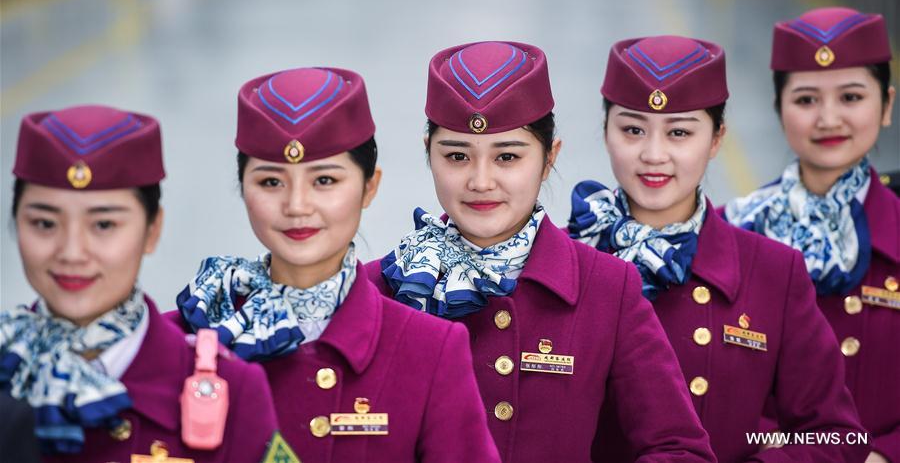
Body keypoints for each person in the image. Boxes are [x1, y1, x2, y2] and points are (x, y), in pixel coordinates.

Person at [367, 41, 716, 462]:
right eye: (457, 156)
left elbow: (678, 447)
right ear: (429, 153)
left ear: (549, 158)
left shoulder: (606, 288)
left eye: (507, 157)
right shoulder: (380, 288)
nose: (480, 181)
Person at [173, 67, 500, 462]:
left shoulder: (429, 351)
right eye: (271, 182)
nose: (297, 206)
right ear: (242, 187)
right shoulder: (186, 337)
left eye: (324, 181)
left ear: (369, 186)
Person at [568, 34, 869, 462]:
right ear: (606, 132)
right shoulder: (562, 260)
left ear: (715, 140)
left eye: (679, 133)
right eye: (633, 129)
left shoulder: (772, 272)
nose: (654, 155)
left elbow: (838, 436)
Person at [1, 105, 281, 462]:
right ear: (15, 224)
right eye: (44, 223)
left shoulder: (233, 391)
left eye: (103, 225)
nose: (71, 252)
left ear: (153, 230)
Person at [725, 7, 898, 463]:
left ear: (887, 105)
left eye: (851, 97)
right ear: (779, 110)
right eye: (805, 100)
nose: (827, 119)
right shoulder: (730, 235)